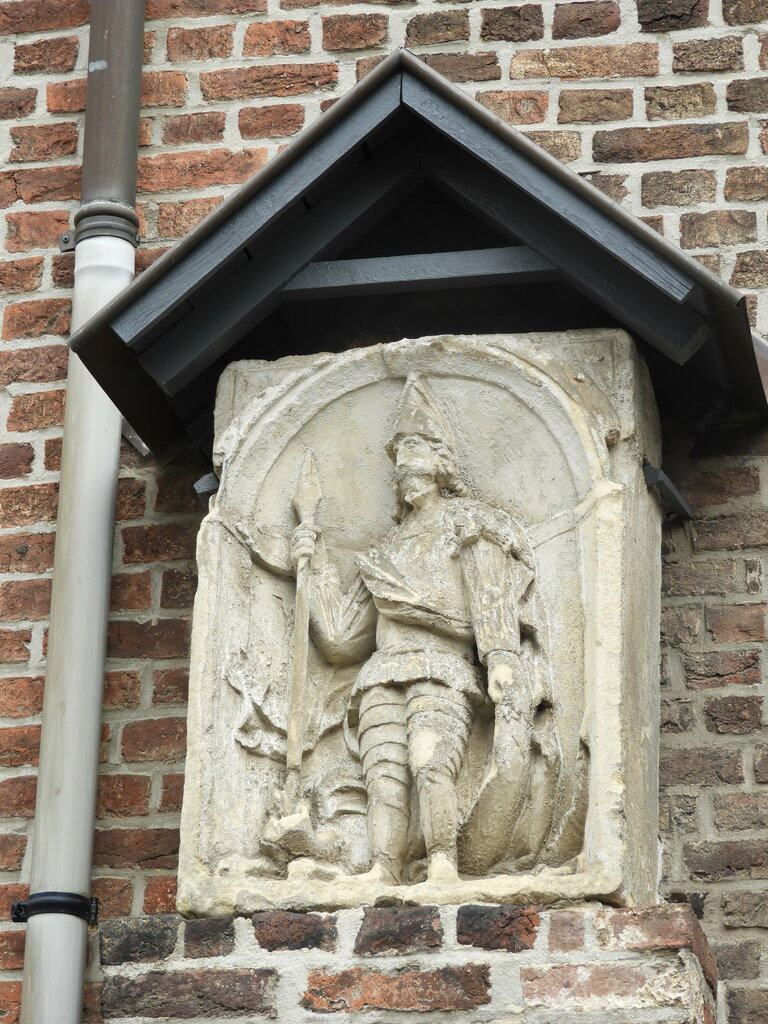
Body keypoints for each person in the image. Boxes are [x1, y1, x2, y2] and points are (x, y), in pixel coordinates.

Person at [291, 375, 550, 884]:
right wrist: (312, 563)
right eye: (399, 459)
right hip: (381, 674)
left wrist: (501, 657)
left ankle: (443, 864)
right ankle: (383, 868)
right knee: (383, 776)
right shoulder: (385, 551)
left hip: (441, 668)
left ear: (440, 461)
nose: (404, 468)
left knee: (431, 761)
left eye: (415, 452)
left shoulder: (469, 523)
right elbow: (341, 640)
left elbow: (490, 594)